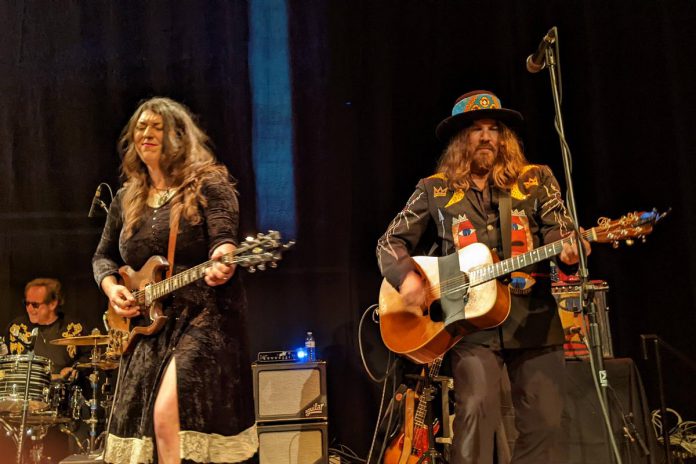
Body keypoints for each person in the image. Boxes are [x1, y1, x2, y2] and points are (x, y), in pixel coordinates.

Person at [376, 90, 590, 464]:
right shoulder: (434, 189)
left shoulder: (537, 180)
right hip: (471, 326)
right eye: (477, 130)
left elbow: (559, 232)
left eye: (494, 129)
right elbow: (388, 243)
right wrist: (407, 278)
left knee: (546, 422)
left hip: (535, 322)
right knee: (476, 409)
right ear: (462, 140)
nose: (487, 136)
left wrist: (571, 253)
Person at [92, 97, 257, 464]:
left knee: (168, 416)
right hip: (147, 327)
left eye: (157, 127)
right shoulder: (126, 197)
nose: (146, 134)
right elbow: (102, 257)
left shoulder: (208, 185)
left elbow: (223, 241)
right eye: (140, 127)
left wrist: (223, 262)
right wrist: (112, 287)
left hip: (204, 317)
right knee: (149, 432)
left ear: (179, 138)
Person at [6, 277, 85, 380]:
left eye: (35, 305)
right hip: (20, 391)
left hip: (61, 392)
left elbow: (89, 358)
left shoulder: (74, 328)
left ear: (52, 304)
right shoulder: (16, 327)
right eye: (26, 303)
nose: (29, 309)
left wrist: (75, 368)